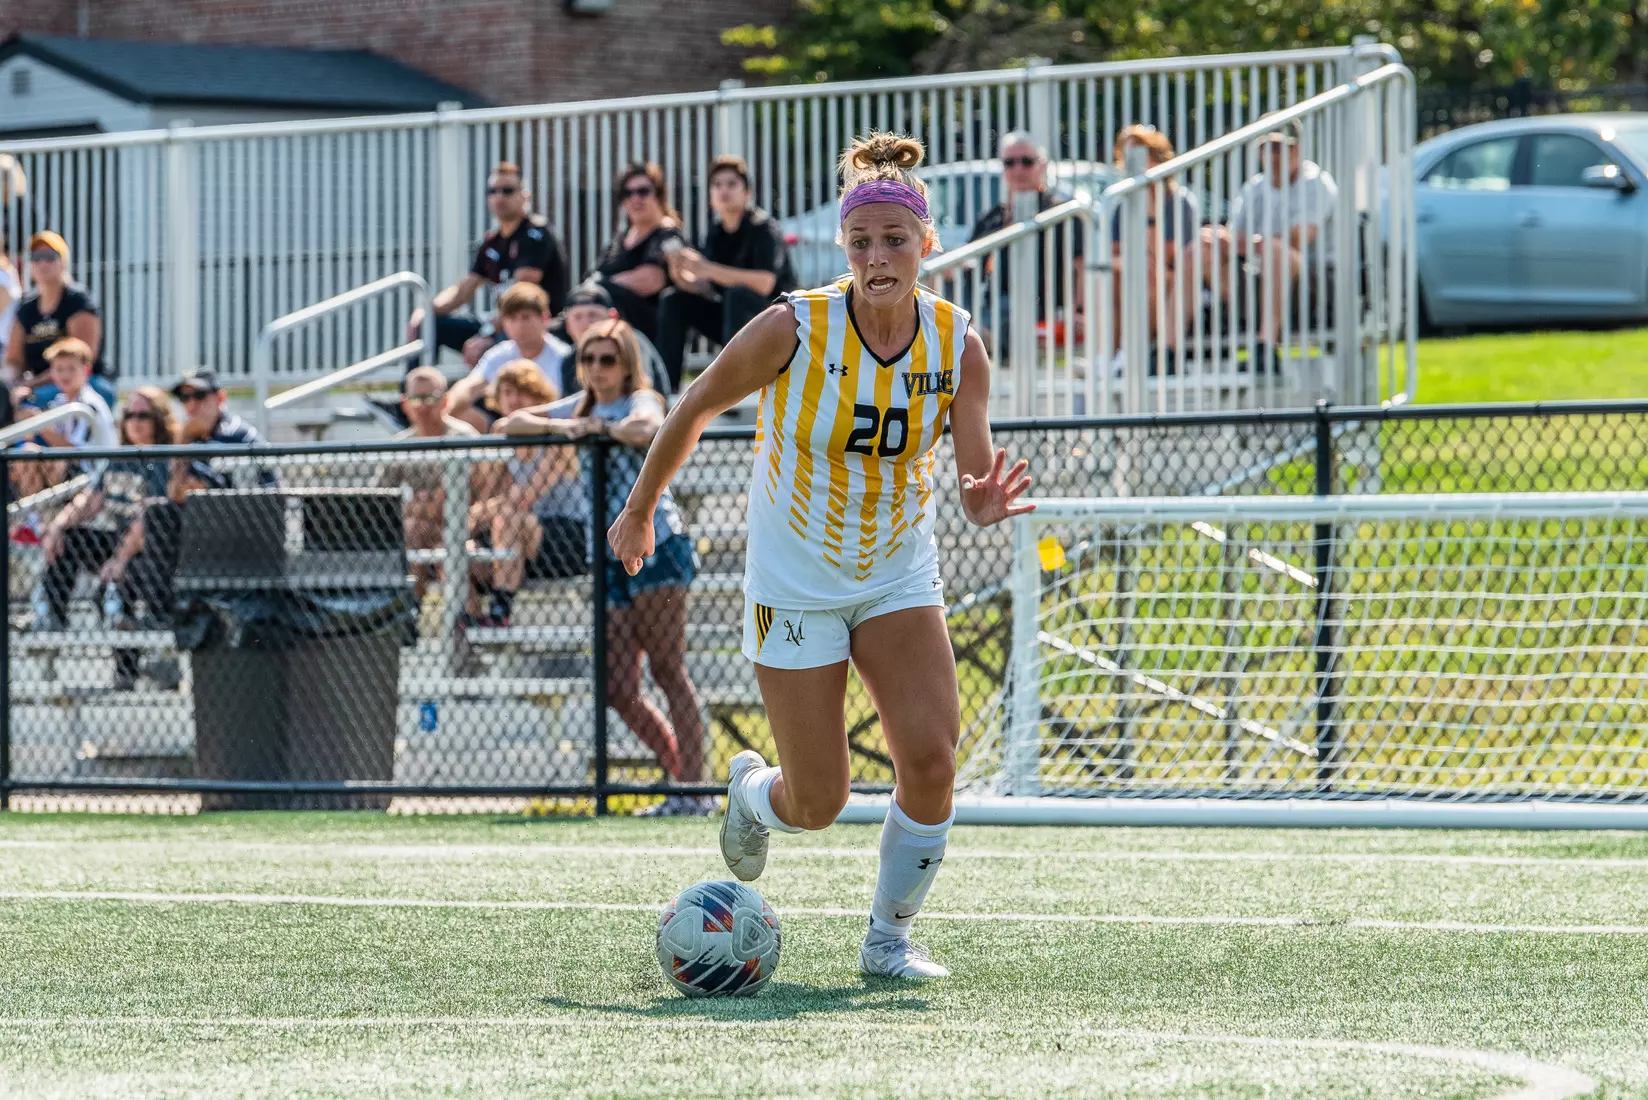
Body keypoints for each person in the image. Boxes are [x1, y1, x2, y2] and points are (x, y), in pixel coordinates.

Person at [606, 132, 1033, 977]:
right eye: (862, 241)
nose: (878, 257)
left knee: (931, 761)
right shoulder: (794, 327)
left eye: (895, 240)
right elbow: (693, 406)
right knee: (818, 801)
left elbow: (974, 473)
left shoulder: (957, 343)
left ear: (926, 243)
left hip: (897, 572)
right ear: (844, 247)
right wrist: (639, 508)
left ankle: (887, 941)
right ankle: (751, 794)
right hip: (794, 581)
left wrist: (981, 500)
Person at [499, 318, 707, 815]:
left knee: (667, 668)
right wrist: (570, 427)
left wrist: (601, 431)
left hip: (657, 545)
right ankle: (683, 779)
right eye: (588, 359)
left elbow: (646, 427)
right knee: (616, 687)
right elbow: (512, 422)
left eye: (607, 359)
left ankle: (694, 789)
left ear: (626, 363)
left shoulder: (640, 398)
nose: (596, 368)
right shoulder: (580, 406)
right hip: (607, 554)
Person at [37, 388, 180, 689]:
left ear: (158, 420)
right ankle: (51, 619)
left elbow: (147, 519)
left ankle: (146, 666)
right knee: (69, 539)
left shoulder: (164, 458)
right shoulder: (119, 458)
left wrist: (118, 561)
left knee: (120, 586)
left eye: (143, 415)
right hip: (120, 543)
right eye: (129, 415)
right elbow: (91, 500)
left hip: (154, 552)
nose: (135, 422)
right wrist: (57, 527)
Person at [407, 161, 571, 366]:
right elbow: (462, 290)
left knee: (495, 342)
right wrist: (426, 310)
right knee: (430, 325)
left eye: (507, 190)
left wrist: (487, 334)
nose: (499, 197)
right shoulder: (492, 242)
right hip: (503, 324)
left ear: (525, 196)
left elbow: (520, 295)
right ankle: (417, 386)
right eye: (493, 191)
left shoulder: (536, 234)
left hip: (534, 326)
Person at [657, 155, 797, 392]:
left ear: (748, 192)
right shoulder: (716, 232)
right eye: (717, 185)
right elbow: (708, 288)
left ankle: (730, 386)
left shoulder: (763, 227)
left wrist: (707, 268)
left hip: (775, 321)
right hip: (733, 322)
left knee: (737, 295)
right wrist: (680, 274)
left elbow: (765, 283)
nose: (724, 190)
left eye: (732, 184)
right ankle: (667, 389)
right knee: (673, 299)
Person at [1202, 119, 1339, 345]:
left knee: (1275, 251)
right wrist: (1222, 240)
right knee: (1204, 246)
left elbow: (1296, 240)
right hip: (1262, 278)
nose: (1272, 155)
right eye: (1265, 147)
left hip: (1316, 283)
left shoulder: (1317, 182)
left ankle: (1265, 346)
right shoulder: (1254, 187)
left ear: (1297, 149)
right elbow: (1232, 239)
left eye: (1279, 147)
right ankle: (1167, 350)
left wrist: (1243, 243)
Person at [377, 366, 497, 604]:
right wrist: (416, 507)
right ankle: (412, 611)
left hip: (467, 530)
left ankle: (465, 619)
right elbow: (380, 499)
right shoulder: (400, 445)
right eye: (416, 399)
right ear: (404, 404)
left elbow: (483, 493)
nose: (423, 406)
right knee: (413, 528)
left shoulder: (464, 438)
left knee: (447, 548)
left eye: (430, 398)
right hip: (424, 530)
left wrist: (429, 506)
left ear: (445, 401)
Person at [467, 360, 570, 625]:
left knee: (508, 516)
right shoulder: (501, 438)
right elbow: (484, 502)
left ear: (539, 397)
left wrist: (487, 510)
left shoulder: (555, 436)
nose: (514, 400)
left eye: (523, 392)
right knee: (458, 545)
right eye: (507, 393)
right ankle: (470, 619)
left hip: (563, 534)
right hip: (510, 538)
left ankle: (501, 609)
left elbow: (523, 499)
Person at [965, 132, 1085, 350]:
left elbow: (1081, 266)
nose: (1018, 169)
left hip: (1044, 307)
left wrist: (1079, 311)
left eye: (1027, 161)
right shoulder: (991, 218)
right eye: (1010, 163)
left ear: (1042, 165)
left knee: (1004, 310)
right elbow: (968, 264)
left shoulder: (1061, 213)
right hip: (989, 305)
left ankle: (979, 338)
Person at [1108, 125, 1202, 365]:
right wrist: (1128, 262)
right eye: (1126, 157)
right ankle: (1109, 358)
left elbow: (1168, 258)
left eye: (1139, 155)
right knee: (1112, 276)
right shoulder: (1122, 205)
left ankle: (1133, 354)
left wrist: (1150, 211)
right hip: (1137, 275)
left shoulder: (1181, 202)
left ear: (1157, 157)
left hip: (1175, 282)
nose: (1132, 164)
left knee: (1148, 270)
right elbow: (1110, 256)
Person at [5, 231, 116, 406]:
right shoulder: (26, 308)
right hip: (37, 386)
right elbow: (14, 361)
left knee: (32, 404)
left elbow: (81, 359)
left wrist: (31, 385)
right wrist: (9, 383)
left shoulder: (77, 302)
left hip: (84, 383)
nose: (42, 263)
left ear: (63, 262)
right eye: (36, 257)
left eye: (50, 257)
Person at [449, 282, 570, 431]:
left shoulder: (564, 357)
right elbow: (467, 388)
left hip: (554, 433)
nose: (519, 326)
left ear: (545, 318)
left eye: (526, 317)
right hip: (504, 433)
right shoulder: (498, 354)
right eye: (512, 318)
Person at [9, 337, 119, 502]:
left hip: (94, 477)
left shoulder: (89, 403)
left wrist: (38, 423)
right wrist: (20, 410)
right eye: (59, 369)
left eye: (71, 369)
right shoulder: (60, 402)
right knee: (26, 453)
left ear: (87, 370)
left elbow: (75, 452)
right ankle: (33, 516)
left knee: (34, 455)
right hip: (70, 474)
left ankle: (35, 515)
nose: (65, 374)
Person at [592, 162, 685, 347]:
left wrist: (604, 286)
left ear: (659, 195)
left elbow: (651, 280)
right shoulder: (620, 238)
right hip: (609, 323)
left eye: (643, 191)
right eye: (628, 193)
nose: (635, 199)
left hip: (647, 331)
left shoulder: (668, 234)